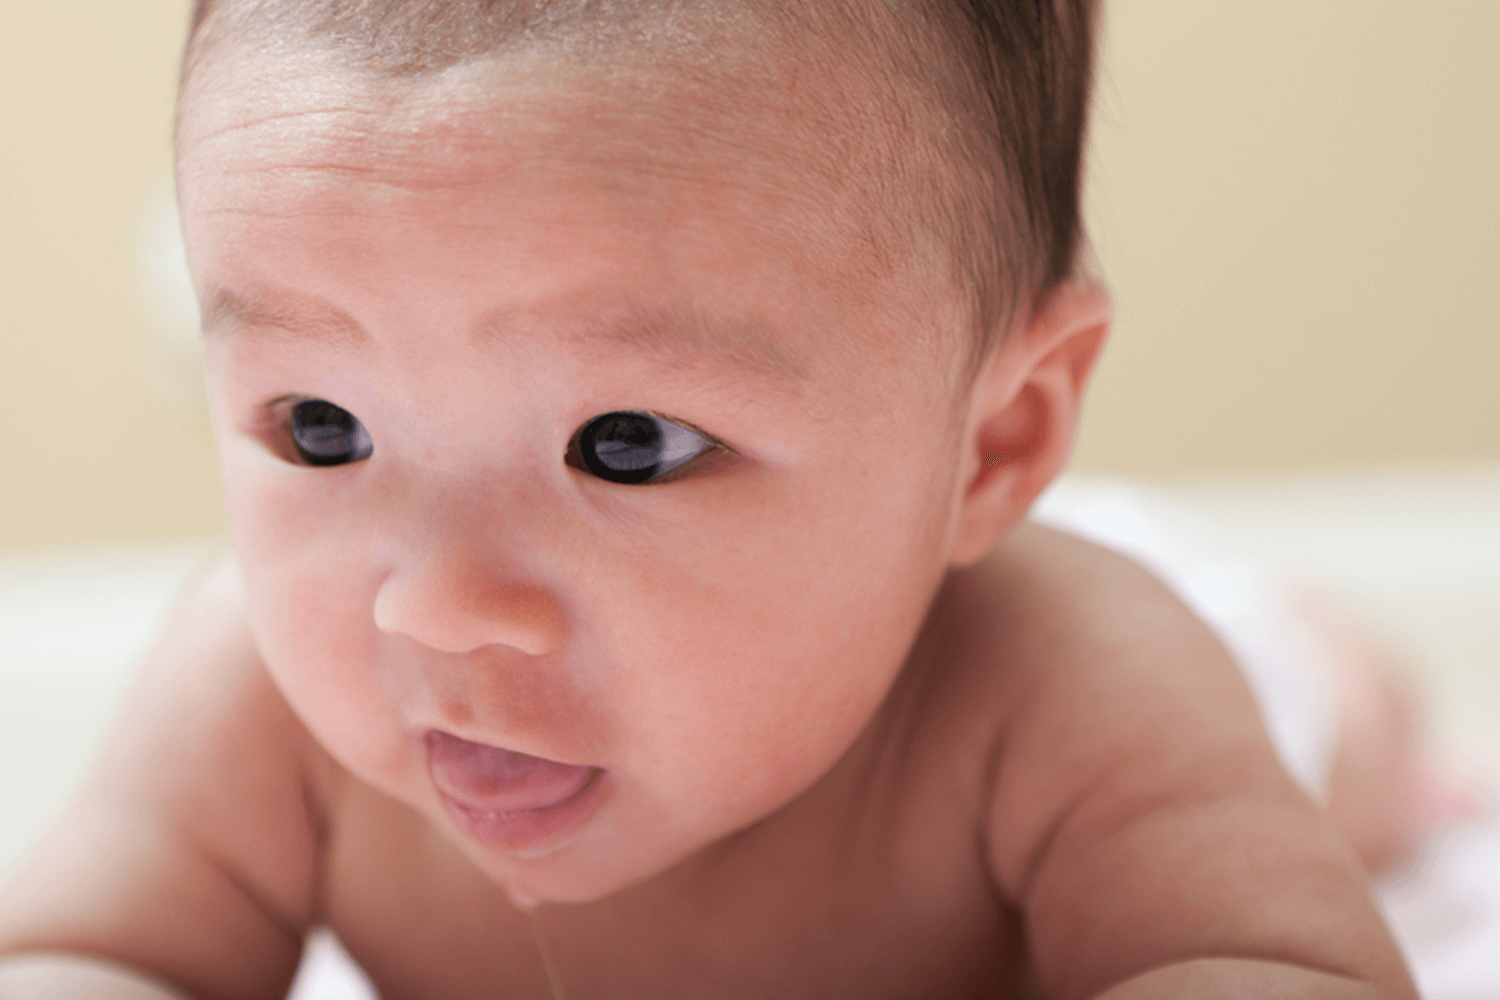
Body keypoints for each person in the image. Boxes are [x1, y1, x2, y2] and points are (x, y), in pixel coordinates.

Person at [0, 1, 1422, 997]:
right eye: (322, 428)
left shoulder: (1064, 684)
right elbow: (84, 955)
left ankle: (1351, 677)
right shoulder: (253, 696)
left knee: (1324, 731)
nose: (432, 604)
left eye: (625, 444)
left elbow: (1274, 965)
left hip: (1151, 619)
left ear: (993, 442)